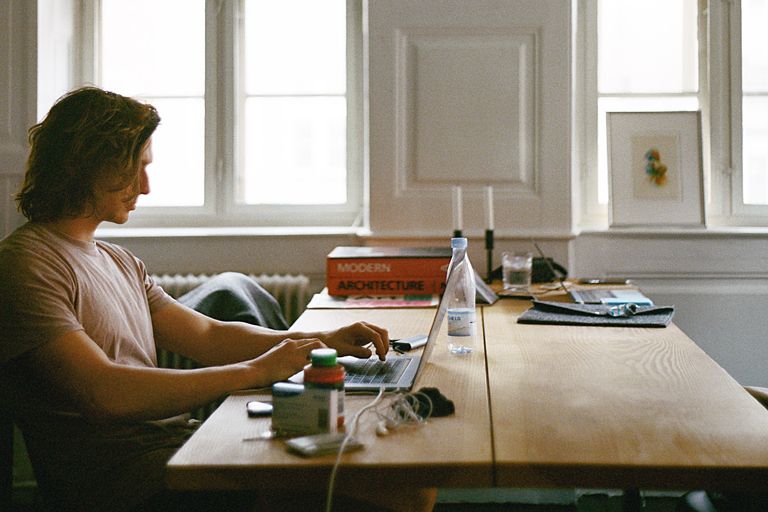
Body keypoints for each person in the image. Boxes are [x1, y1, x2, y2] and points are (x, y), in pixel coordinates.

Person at [0, 87, 435, 512]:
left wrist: (321, 339)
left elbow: (207, 334)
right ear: (88, 165)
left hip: (174, 446)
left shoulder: (119, 260)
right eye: (134, 169)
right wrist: (256, 370)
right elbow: (105, 393)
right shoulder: (27, 265)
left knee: (407, 483)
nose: (146, 187)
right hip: (126, 482)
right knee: (399, 494)